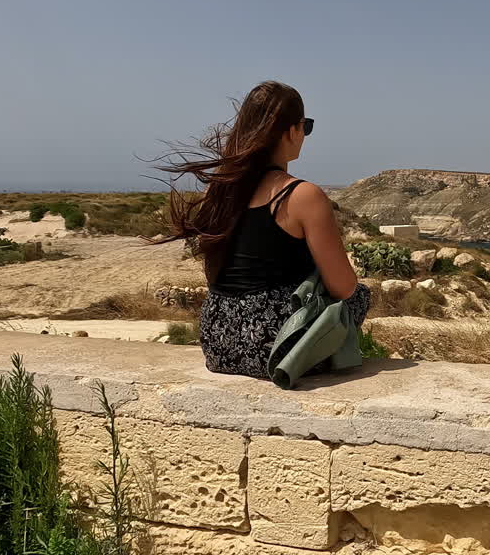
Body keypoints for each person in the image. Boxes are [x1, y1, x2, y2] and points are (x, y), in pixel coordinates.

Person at [157, 80, 371, 380]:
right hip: (277, 348)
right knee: (359, 295)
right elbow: (344, 287)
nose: (304, 135)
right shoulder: (301, 195)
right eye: (305, 126)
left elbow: (217, 276)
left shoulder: (218, 192)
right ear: (290, 130)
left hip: (219, 343)